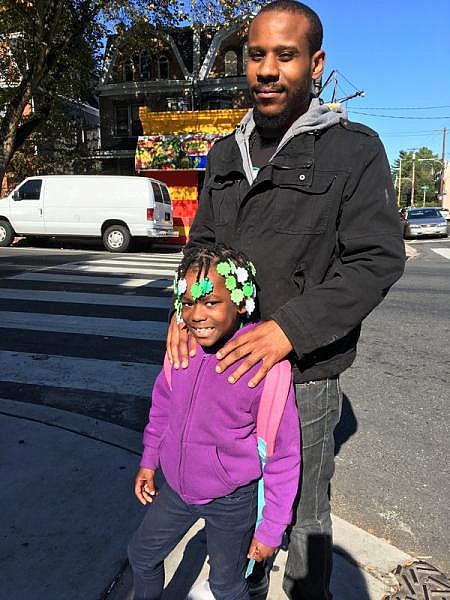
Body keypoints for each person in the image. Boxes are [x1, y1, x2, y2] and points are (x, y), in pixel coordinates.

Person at [167, 1, 406, 598]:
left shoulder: (353, 150)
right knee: (233, 500)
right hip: (225, 368)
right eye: (256, 54)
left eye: (285, 55)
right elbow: (204, 245)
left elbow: (377, 258)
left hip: (303, 372)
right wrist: (183, 304)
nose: (267, 69)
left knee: (301, 512)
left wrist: (288, 330)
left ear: (315, 63)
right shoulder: (225, 155)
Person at [128, 244, 300, 600]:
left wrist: (270, 531)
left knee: (226, 586)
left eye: (210, 302)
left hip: (231, 500)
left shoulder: (262, 367)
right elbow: (161, 408)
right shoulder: (181, 350)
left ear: (239, 302)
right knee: (141, 556)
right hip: (177, 488)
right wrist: (149, 460)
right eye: (188, 302)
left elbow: (285, 457)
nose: (197, 314)